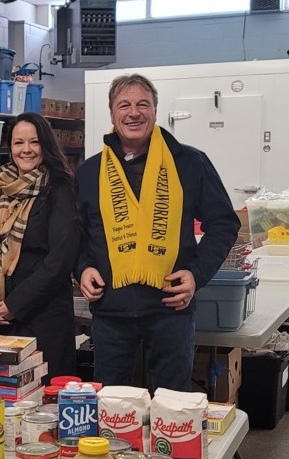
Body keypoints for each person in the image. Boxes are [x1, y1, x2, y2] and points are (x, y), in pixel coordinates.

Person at [76, 73, 240, 390]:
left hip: (170, 308)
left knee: (172, 403)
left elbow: (223, 224)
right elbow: (78, 234)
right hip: (111, 309)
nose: (134, 112)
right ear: (112, 113)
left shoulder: (189, 163)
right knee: (113, 405)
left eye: (143, 104)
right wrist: (83, 268)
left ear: (155, 110)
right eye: (124, 105)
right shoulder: (89, 172)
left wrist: (196, 274)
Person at [0, 112, 80, 379]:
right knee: (0, 400)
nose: (26, 150)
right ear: (10, 147)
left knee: (44, 403)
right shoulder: (1, 189)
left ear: (46, 145)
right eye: (19, 143)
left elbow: (60, 260)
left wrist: (15, 304)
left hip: (42, 319)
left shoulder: (60, 189)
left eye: (34, 142)